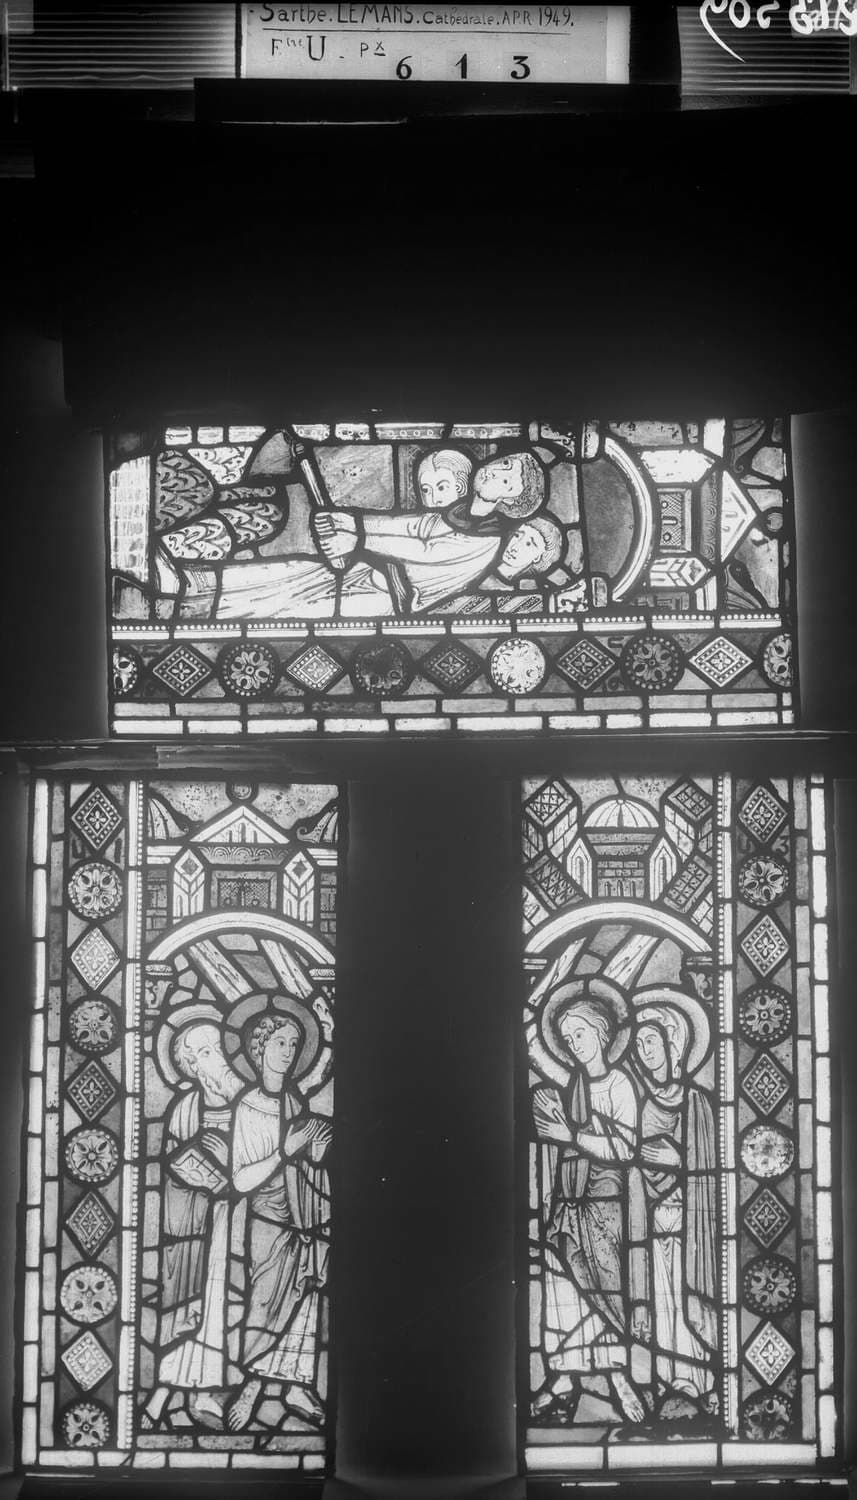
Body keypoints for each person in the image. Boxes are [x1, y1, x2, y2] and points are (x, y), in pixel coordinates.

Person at [531, 991, 646, 1426]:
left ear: (601, 1033)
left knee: (605, 1288)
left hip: (604, 1201)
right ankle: (564, 1374)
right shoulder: (571, 1086)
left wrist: (571, 1136)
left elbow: (626, 1148)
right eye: (567, 1038)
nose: (573, 1044)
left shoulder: (619, 1085)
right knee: (563, 1282)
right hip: (569, 1198)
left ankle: (618, 1376)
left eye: (579, 1034)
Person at [226, 1013, 332, 1432]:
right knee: (266, 1300)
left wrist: (317, 1150)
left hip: (303, 1214)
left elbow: (308, 1163)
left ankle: (296, 1386)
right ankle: (251, 1385)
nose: (288, 1052)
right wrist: (286, 1151)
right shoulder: (249, 1106)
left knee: (306, 1295)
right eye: (279, 1043)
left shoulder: (295, 1102)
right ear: (259, 1049)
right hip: (268, 1219)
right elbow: (240, 1179)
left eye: (293, 1044)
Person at [178, 510, 564, 620]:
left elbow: (426, 553)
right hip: (373, 573)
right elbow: (412, 530)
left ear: (540, 561)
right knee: (287, 573)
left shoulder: (515, 598)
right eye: (519, 535)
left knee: (293, 613)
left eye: (530, 543)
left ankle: (199, 608)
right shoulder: (475, 537)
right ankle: (191, 585)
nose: (516, 544)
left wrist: (358, 537)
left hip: (385, 604)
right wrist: (354, 525)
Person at [141, 1016, 243, 1429]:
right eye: (205, 1052)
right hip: (195, 1228)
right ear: (190, 1066)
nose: (218, 1057)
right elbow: (172, 1175)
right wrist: (193, 1176)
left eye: (220, 1047)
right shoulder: (184, 1109)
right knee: (197, 1306)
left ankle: (209, 1392)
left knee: (225, 1304)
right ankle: (173, 1392)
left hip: (238, 1223)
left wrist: (232, 1172)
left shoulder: (249, 1102)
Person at [632, 995, 718, 1407]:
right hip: (655, 1222)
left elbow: (709, 1166)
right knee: (663, 1303)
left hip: (691, 1221)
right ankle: (672, 1380)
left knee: (688, 1302)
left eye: (650, 1041)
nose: (644, 1051)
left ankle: (701, 1378)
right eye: (638, 1044)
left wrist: (677, 1160)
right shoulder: (645, 1104)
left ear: (674, 1045)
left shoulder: (697, 1101)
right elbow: (636, 1168)